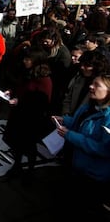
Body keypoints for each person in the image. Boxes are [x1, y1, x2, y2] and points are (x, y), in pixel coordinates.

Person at [54, 73, 110, 220]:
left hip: (93, 175)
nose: (91, 87)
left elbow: (104, 149)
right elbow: (81, 124)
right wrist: (65, 120)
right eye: (92, 83)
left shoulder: (108, 117)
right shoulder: (89, 106)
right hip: (77, 166)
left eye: (97, 85)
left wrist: (71, 136)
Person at [3, 47, 53, 178]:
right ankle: (17, 165)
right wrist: (11, 91)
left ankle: (30, 171)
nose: (24, 61)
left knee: (29, 145)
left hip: (31, 118)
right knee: (15, 142)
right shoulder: (27, 72)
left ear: (36, 61)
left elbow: (42, 102)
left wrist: (19, 102)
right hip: (18, 115)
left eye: (28, 59)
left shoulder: (44, 79)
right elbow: (21, 87)